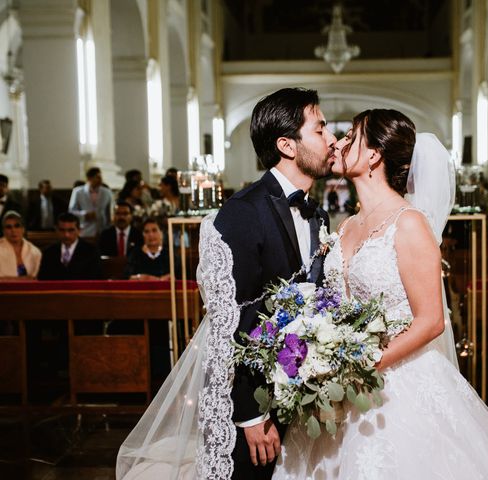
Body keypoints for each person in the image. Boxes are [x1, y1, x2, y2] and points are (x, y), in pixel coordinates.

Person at [273, 109, 488, 479]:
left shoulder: (409, 224)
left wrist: (361, 364)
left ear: (374, 154)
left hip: (396, 383)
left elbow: (431, 321)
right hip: (339, 386)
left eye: (350, 137)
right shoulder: (345, 228)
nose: (338, 143)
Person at [116, 87, 336, 480]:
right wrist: (250, 415)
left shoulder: (317, 215)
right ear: (287, 145)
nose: (331, 139)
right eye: (320, 130)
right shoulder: (243, 212)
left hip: (299, 396)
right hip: (253, 403)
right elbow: (231, 322)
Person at [38, 212, 102, 280]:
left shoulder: (91, 252)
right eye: (62, 230)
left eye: (71, 230)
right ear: (56, 230)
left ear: (79, 230)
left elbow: (96, 279)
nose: (66, 235)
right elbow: (43, 279)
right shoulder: (49, 252)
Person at [68, 167, 113, 238]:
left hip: (103, 230)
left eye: (101, 177)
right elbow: (71, 211)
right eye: (97, 177)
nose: (100, 180)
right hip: (85, 230)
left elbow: (109, 213)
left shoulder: (107, 192)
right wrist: (84, 214)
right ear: (89, 178)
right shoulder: (78, 192)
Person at [0, 211, 41, 279]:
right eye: (8, 227)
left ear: (23, 229)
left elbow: (37, 278)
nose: (13, 230)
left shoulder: (35, 252)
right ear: (3, 231)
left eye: (17, 226)